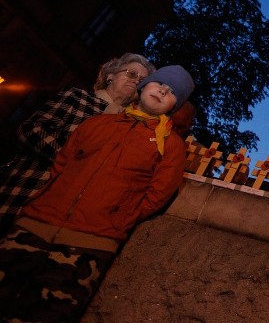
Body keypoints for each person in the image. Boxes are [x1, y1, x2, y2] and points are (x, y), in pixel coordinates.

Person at [0, 65, 195, 322]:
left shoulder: (170, 146)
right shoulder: (97, 123)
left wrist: (117, 219)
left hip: (89, 244)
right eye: (160, 83)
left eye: (171, 93)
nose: (162, 90)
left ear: (173, 106)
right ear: (143, 87)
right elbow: (63, 163)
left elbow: (157, 196)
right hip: (33, 226)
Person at [0, 52, 155, 234]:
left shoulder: (128, 125)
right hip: (28, 190)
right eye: (131, 73)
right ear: (110, 75)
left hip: (60, 216)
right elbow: (31, 130)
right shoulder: (78, 98)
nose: (136, 81)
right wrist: (71, 162)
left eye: (142, 80)